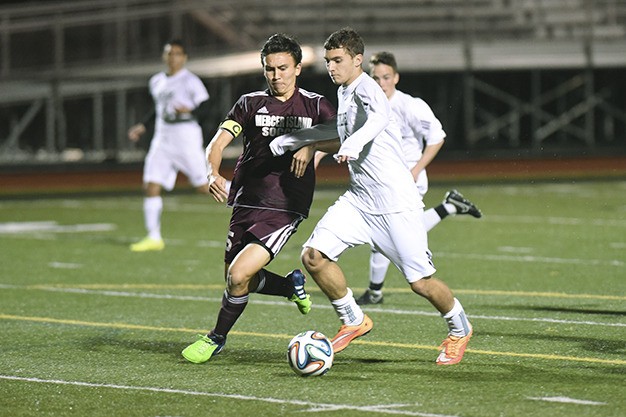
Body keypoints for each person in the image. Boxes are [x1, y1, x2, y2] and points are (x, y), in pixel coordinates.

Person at [270, 27, 473, 365]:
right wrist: (296, 140)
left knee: (421, 283)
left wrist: (352, 145)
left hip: (396, 203)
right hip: (360, 200)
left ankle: (459, 329)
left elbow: (378, 118)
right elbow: (338, 129)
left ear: (357, 60)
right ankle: (353, 319)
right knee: (313, 257)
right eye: (328, 61)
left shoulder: (368, 88)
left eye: (338, 60)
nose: (331, 67)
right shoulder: (346, 91)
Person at [181, 33, 337, 364]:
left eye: (283, 68)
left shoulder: (316, 105)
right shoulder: (249, 103)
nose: (276, 75)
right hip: (245, 199)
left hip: (285, 205)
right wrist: (213, 173)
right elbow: (217, 144)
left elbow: (341, 138)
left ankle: (215, 338)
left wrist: (310, 145)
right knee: (239, 279)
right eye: (270, 69)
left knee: (238, 276)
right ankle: (290, 286)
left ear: (297, 68)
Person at [354, 51, 482, 305]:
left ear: (396, 77)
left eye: (386, 77)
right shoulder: (366, 105)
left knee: (390, 234)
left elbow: (437, 137)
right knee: (389, 233)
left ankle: (376, 291)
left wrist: (415, 170)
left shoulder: (410, 105)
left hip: (408, 181)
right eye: (375, 77)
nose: (381, 83)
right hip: (383, 180)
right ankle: (449, 207)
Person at [127, 39, 210, 252]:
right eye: (169, 53)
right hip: (162, 138)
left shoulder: (190, 80)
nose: (172, 57)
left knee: (204, 186)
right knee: (151, 185)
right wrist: (143, 126)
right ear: (164, 57)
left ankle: (249, 197)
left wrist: (189, 111)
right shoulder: (156, 81)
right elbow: (158, 108)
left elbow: (209, 108)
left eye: (177, 53)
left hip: (185, 137)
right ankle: (154, 237)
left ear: (184, 58)